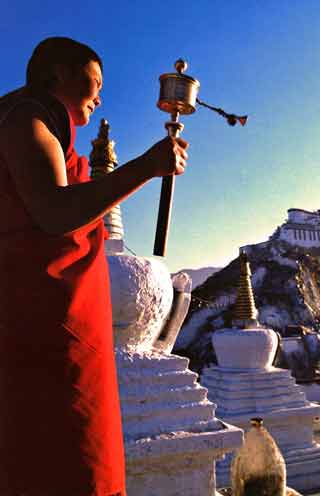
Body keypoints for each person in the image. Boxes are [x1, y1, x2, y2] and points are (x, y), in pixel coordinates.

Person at [0, 37, 189, 496]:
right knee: (59, 467)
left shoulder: (44, 125)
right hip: (38, 341)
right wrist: (146, 166)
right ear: (56, 74)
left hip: (59, 335)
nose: (100, 95)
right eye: (95, 81)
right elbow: (54, 211)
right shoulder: (25, 116)